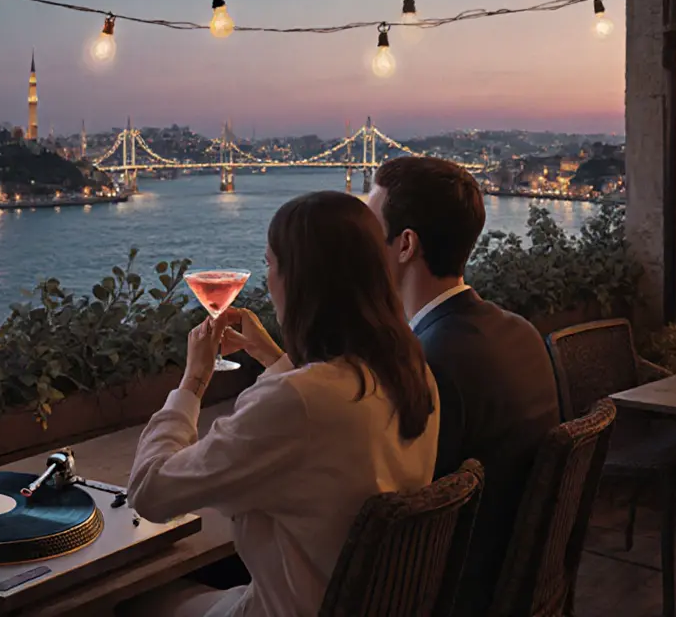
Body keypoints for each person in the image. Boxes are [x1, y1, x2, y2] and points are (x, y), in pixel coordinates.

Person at [119, 191, 440, 617]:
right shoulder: (414, 373)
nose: (268, 281)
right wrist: (272, 356)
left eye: (269, 264)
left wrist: (193, 380)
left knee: (130, 600)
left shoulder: (297, 404)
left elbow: (149, 492)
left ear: (299, 280)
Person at [367, 155, 560, 617]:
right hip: (519, 578)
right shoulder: (521, 332)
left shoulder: (429, 364)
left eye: (370, 233)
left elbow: (400, 505)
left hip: (454, 593)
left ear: (405, 244)